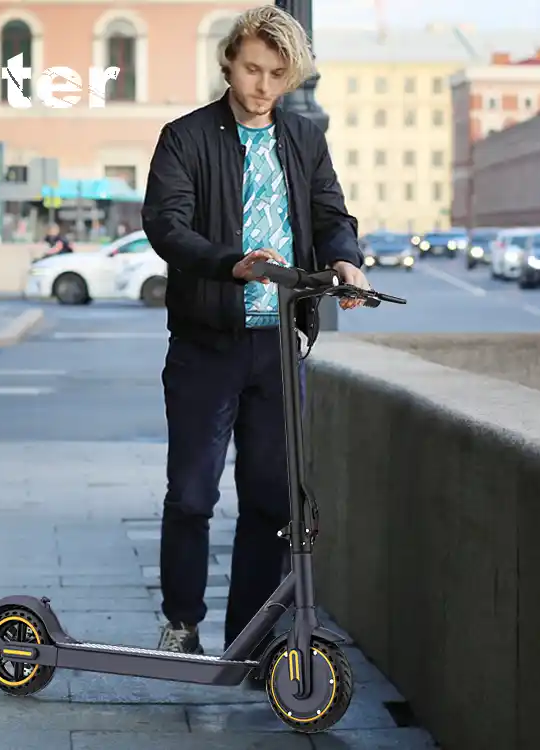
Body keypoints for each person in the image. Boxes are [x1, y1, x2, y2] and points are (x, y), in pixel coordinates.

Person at [140, 6, 370, 676]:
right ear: (228, 63)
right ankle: (182, 624)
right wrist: (227, 262)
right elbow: (165, 225)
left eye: (277, 73)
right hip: (206, 344)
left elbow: (331, 215)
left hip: (278, 347)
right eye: (251, 69)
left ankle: (248, 638)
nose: (263, 85)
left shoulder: (302, 140)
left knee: (270, 499)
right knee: (191, 494)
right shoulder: (184, 138)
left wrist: (346, 260)